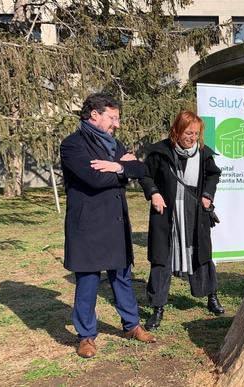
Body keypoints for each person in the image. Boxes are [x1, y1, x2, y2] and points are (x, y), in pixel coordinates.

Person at [60, 92, 155, 359]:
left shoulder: (115, 144)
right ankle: (86, 336)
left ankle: (131, 325)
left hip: (115, 222)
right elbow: (94, 180)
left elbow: (142, 169)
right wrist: (123, 168)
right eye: (113, 118)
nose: (117, 124)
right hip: (88, 226)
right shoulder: (72, 145)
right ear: (95, 115)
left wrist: (117, 167)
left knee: (122, 277)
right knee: (88, 282)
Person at [139, 110, 225, 331]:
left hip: (195, 214)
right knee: (161, 259)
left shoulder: (203, 154)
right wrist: (154, 192)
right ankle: (157, 308)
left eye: (196, 134)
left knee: (202, 255)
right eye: (188, 133)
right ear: (177, 131)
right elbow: (145, 175)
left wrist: (207, 194)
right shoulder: (160, 151)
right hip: (166, 215)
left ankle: (211, 297)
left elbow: (214, 175)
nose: (192, 138)